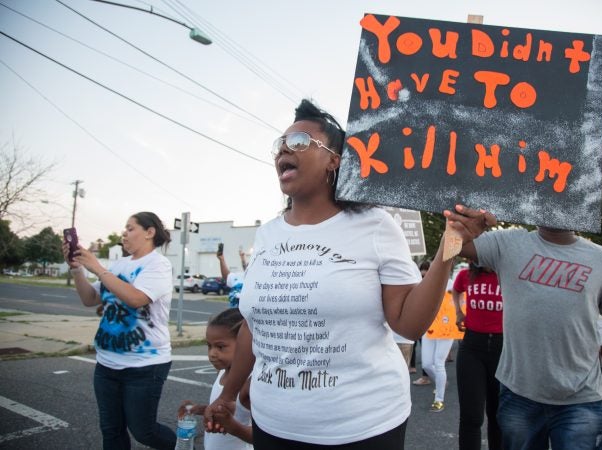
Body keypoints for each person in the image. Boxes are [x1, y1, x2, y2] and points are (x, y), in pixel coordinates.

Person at [203, 99, 458, 449]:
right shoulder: (268, 234)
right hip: (273, 423)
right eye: (280, 145)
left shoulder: (376, 225)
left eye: (299, 143)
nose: (283, 152)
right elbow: (253, 324)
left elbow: (408, 325)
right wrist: (229, 392)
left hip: (362, 427)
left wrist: (449, 246)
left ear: (334, 161)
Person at [444, 204, 602, 450]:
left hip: (581, 400)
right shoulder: (508, 243)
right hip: (519, 396)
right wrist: (460, 226)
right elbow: (450, 249)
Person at [63, 212, 175, 450]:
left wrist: (97, 268)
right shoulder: (119, 265)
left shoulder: (159, 265)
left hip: (145, 365)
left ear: (149, 232)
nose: (124, 233)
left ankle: (184, 445)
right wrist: (77, 270)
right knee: (111, 430)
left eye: (130, 228)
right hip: (106, 364)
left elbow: (137, 298)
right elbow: (90, 298)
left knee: (144, 431)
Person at [178, 308, 253, 449]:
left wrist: (234, 427)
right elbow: (226, 412)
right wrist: (196, 409)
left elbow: (264, 436)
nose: (212, 353)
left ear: (245, 345)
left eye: (220, 347)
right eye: (209, 346)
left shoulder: (249, 383)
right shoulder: (222, 372)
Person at [452, 263, 503, 450]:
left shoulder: (507, 275)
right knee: (471, 416)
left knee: (498, 414)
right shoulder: (466, 275)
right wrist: (458, 312)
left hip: (502, 348)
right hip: (472, 347)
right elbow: (455, 291)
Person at [420, 260, 459, 413]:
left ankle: (439, 400)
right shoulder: (424, 284)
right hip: (428, 327)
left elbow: (459, 304)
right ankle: (440, 383)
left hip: (445, 329)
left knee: (438, 362)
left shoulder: (451, 284)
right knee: (426, 365)